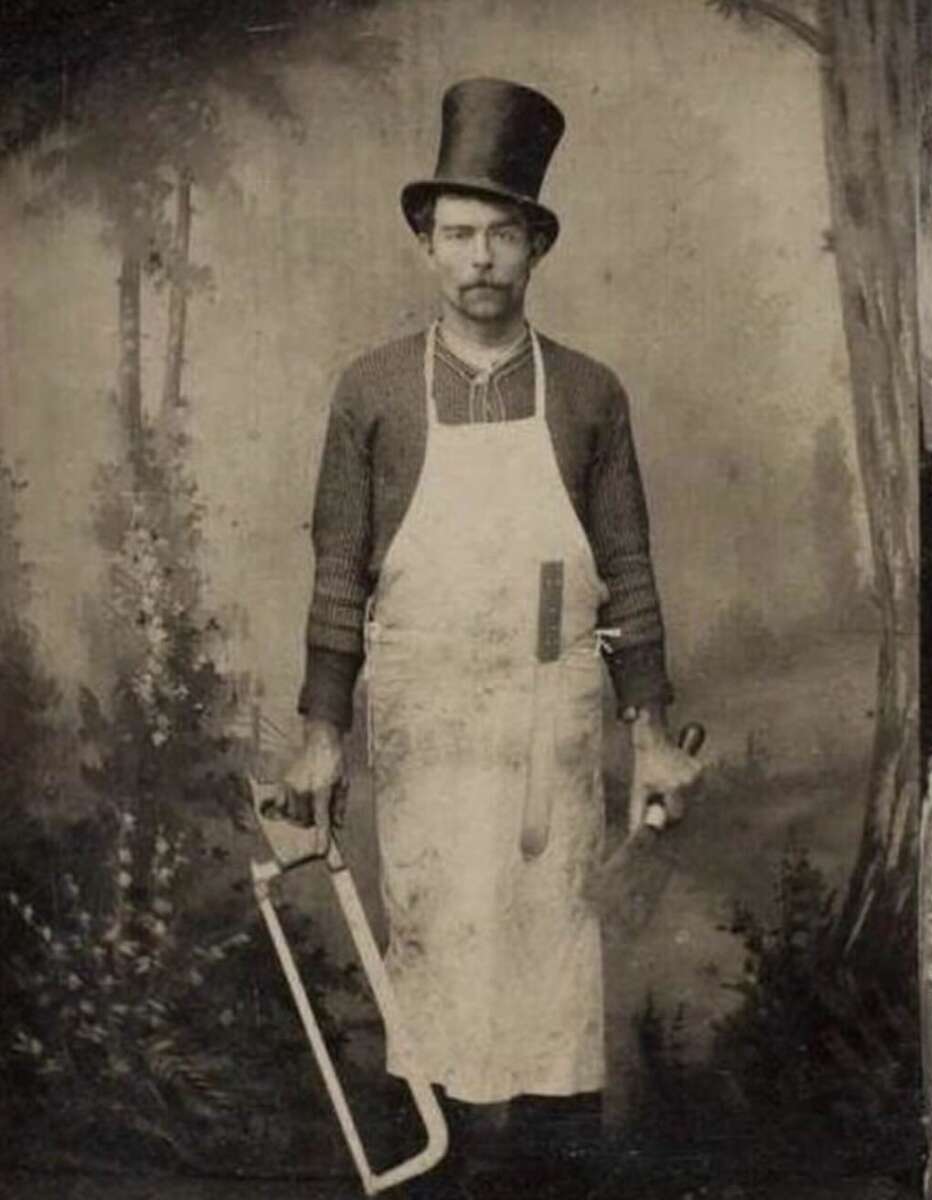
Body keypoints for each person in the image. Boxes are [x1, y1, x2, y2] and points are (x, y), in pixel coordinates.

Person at [282, 77, 702, 1196]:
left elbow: (629, 580)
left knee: (553, 980)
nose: (479, 260)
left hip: (548, 740)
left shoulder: (590, 397)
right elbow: (338, 579)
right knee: (438, 969)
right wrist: (322, 737)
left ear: (536, 247)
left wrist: (650, 733)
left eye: (502, 235)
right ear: (427, 242)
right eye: (458, 234)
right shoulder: (370, 394)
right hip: (427, 740)